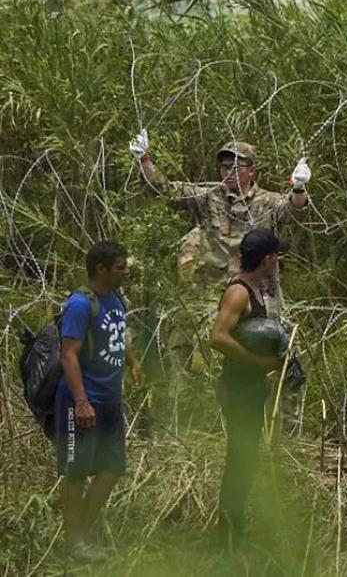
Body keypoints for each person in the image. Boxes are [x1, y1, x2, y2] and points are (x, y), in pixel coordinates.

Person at [128, 131, 310, 369]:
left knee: (264, 352)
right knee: (211, 358)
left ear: (251, 171)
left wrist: (298, 189)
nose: (229, 172)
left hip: (257, 294)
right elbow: (165, 190)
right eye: (224, 167)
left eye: (236, 166)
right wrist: (144, 160)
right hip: (211, 294)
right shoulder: (208, 196)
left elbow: (294, 212)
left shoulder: (268, 202)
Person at [56, 240, 140, 561]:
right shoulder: (80, 304)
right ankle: (74, 543)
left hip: (110, 400)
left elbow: (116, 335)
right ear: (101, 269)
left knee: (112, 468)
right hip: (83, 401)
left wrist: (132, 363)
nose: (125, 271)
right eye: (120, 267)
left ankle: (83, 533)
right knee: (76, 472)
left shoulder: (115, 298)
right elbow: (69, 355)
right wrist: (81, 401)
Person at [208, 228, 288, 549]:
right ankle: (228, 536)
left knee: (247, 458)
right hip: (239, 389)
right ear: (267, 259)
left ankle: (233, 526)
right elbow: (218, 337)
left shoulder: (256, 289)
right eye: (276, 256)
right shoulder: (239, 292)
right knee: (240, 458)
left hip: (251, 389)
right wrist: (257, 362)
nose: (278, 262)